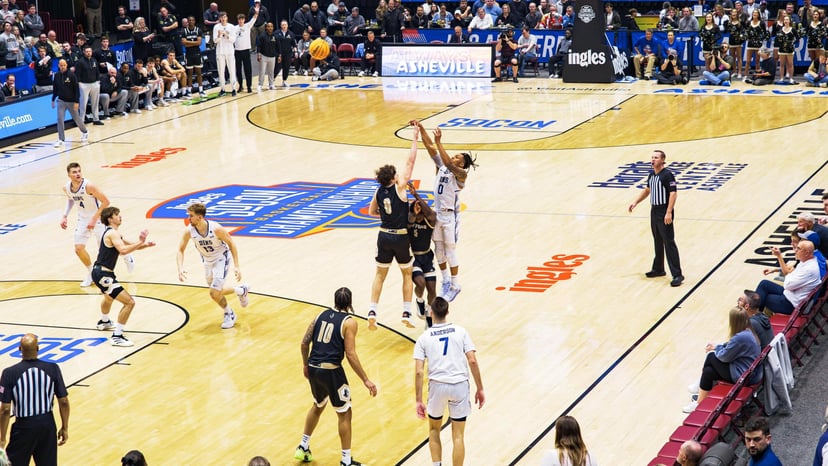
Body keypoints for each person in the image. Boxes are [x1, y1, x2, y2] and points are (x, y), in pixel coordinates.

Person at [295, 287, 377, 466]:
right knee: (345, 413)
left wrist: (305, 364)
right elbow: (351, 354)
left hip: (314, 367)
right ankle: (346, 461)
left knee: (318, 404)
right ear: (350, 302)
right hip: (331, 370)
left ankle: (303, 446)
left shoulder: (319, 316)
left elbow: (304, 343)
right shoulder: (349, 322)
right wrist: (366, 379)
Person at [414, 297, 485, 466]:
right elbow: (472, 360)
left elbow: (418, 371)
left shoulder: (424, 338)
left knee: (434, 429)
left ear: (431, 313)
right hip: (459, 385)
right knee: (458, 435)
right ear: (447, 312)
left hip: (437, 386)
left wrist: (418, 400)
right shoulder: (460, 331)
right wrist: (480, 388)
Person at [413, 120, 477, 302]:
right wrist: (422, 128)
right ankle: (446, 281)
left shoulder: (461, 175)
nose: (454, 157)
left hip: (450, 217)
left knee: (450, 252)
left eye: (458, 157)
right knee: (439, 250)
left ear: (462, 164)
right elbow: (429, 147)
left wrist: (439, 141)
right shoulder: (442, 166)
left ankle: (456, 285)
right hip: (437, 214)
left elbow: (448, 163)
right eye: (454, 155)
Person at [367, 125, 419, 330]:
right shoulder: (400, 188)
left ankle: (372, 310)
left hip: (383, 236)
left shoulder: (378, 192)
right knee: (407, 274)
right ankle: (406, 312)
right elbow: (410, 162)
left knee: (380, 275)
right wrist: (415, 138)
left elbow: (371, 212)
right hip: (400, 236)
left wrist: (386, 215)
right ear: (393, 178)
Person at [176, 203, 250, 329]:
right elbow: (180, 250)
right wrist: (180, 268)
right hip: (207, 261)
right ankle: (241, 290)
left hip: (221, 258)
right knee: (216, 292)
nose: (189, 218)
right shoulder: (189, 231)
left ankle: (229, 313)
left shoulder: (216, 229)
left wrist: (237, 266)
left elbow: (231, 243)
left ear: (200, 217)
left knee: (214, 292)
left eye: (191, 216)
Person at [0, 334, 70, 466]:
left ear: (19, 349)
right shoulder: (53, 368)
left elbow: (5, 409)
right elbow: (64, 402)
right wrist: (64, 427)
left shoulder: (9, 373)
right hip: (47, 425)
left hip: (23, 427)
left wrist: (2, 439)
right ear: (38, 348)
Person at [91, 206, 156, 346]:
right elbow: (123, 251)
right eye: (117, 215)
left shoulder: (115, 234)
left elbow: (131, 245)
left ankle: (104, 321)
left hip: (99, 272)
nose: (120, 216)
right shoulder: (112, 233)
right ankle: (117, 336)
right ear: (110, 219)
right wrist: (140, 242)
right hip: (103, 274)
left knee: (108, 297)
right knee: (129, 302)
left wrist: (145, 244)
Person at [684, 307, 761, 412]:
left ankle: (699, 394)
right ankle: (699, 400)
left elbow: (724, 357)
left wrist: (716, 348)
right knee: (708, 371)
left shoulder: (740, 337)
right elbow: (730, 348)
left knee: (711, 356)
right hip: (749, 373)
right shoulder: (748, 331)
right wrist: (718, 347)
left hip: (743, 376)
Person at [628, 150, 684, 287]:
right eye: (652, 157)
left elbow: (673, 193)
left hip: (664, 210)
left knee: (668, 242)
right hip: (654, 210)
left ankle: (677, 274)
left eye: (656, 157)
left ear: (663, 160)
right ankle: (658, 268)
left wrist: (669, 212)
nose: (653, 160)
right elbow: (648, 190)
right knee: (657, 240)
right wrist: (636, 202)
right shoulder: (652, 174)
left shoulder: (667, 175)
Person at [754, 240, 820, 315]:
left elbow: (787, 285)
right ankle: (755, 315)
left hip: (792, 304)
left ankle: (753, 316)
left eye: (798, 248)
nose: (795, 250)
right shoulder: (806, 262)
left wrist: (789, 275)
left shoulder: (808, 269)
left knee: (762, 298)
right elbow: (789, 275)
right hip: (792, 294)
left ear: (807, 253)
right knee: (764, 284)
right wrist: (790, 274)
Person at [407, 182, 437, 326]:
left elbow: (431, 214)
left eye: (421, 207)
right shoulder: (410, 221)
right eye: (416, 206)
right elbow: (410, 219)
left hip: (427, 256)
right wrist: (414, 210)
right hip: (413, 257)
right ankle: (419, 301)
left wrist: (416, 195)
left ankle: (429, 318)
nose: (419, 208)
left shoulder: (430, 219)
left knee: (432, 289)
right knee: (421, 283)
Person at [51, 59, 89, 145]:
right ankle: (61, 139)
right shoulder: (56, 76)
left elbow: (76, 89)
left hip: (71, 101)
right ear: (58, 66)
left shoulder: (71, 75)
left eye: (64, 65)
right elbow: (55, 89)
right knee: (60, 119)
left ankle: (85, 132)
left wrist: (76, 101)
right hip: (61, 101)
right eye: (61, 65)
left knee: (76, 118)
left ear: (66, 65)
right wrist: (53, 99)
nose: (63, 67)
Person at [75, 44, 103, 125]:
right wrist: (79, 83)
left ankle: (96, 119)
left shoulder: (94, 60)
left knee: (95, 102)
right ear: (84, 52)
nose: (88, 53)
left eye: (90, 51)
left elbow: (97, 71)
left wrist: (98, 81)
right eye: (87, 51)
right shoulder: (80, 62)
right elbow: (77, 74)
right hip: (84, 84)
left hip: (95, 83)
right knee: (83, 104)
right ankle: (81, 120)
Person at [213, 11, 238, 96]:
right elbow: (215, 41)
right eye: (222, 17)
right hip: (220, 52)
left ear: (227, 18)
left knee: (232, 70)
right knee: (221, 71)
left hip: (230, 51)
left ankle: (233, 89)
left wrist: (226, 35)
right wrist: (219, 35)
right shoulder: (216, 27)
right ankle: (222, 89)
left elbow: (233, 40)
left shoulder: (231, 27)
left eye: (224, 17)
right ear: (219, 18)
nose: (223, 19)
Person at [234, 9, 258, 93]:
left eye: (242, 19)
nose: (241, 21)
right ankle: (240, 85)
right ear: (238, 20)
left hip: (246, 51)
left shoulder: (247, 26)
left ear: (244, 20)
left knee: (248, 69)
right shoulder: (235, 28)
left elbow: (254, 18)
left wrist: (256, 11)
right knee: (238, 70)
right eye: (239, 19)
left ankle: (249, 86)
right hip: (237, 51)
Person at [182, 16, 206, 97]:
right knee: (190, 73)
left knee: (199, 72)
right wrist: (194, 43)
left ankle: (201, 90)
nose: (191, 21)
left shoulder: (198, 30)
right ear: (187, 22)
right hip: (189, 54)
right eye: (189, 20)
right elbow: (184, 43)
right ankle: (189, 91)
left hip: (197, 53)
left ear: (194, 21)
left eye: (192, 20)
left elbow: (199, 43)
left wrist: (188, 42)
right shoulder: (184, 31)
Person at [275, 19, 295, 88]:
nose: (284, 26)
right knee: (277, 67)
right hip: (279, 53)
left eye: (285, 25)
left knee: (286, 67)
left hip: (288, 53)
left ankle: (284, 81)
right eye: (283, 25)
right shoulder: (276, 33)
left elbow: (294, 44)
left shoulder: (291, 34)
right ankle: (271, 81)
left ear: (287, 25)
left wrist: (295, 51)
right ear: (280, 26)